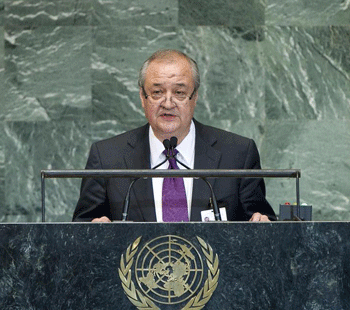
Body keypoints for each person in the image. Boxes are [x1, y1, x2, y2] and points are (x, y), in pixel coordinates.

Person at [72, 49, 276, 223]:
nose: (168, 103)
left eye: (179, 93)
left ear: (194, 97)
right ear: (142, 98)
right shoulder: (107, 157)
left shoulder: (238, 154)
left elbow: (261, 224)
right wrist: (94, 230)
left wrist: (261, 223)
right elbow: (79, 230)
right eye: (157, 92)